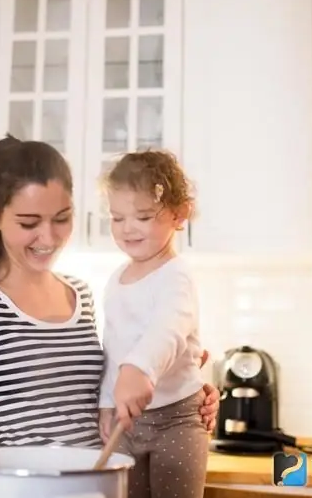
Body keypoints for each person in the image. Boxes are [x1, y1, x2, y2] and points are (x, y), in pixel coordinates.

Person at [0, 136, 219, 469]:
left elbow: (118, 389)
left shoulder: (80, 294)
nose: (49, 238)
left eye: (61, 218)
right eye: (29, 223)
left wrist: (181, 397)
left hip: (99, 489)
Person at [98, 150, 208, 498]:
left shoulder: (177, 275)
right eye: (117, 218)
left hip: (178, 420)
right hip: (126, 426)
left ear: (179, 214)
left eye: (143, 216)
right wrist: (105, 402)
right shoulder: (116, 280)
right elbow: (112, 347)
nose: (127, 228)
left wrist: (141, 368)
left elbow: (169, 328)